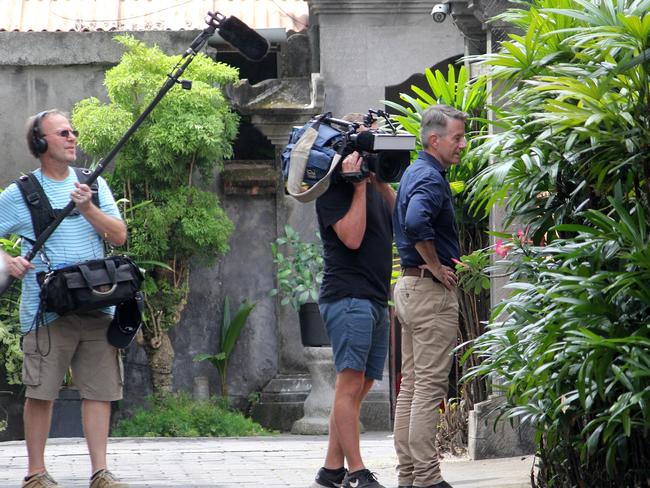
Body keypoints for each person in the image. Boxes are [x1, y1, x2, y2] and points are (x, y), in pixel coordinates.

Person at [0, 109, 128, 488]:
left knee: (99, 392)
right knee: (41, 392)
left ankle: (100, 473)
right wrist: (9, 261)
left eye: (72, 132)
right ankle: (35, 473)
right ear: (41, 143)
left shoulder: (93, 185)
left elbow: (119, 235)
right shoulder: (20, 192)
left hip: (96, 303)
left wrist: (88, 208)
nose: (72, 138)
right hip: (45, 310)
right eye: (62, 133)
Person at [311, 114, 396, 488]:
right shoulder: (332, 189)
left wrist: (376, 179)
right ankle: (357, 472)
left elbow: (398, 213)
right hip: (348, 297)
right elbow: (353, 238)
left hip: (375, 298)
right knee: (349, 387)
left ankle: (331, 471)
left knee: (359, 388)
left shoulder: (373, 185)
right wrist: (358, 187)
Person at [391, 105, 467, 488]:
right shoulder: (431, 179)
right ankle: (427, 478)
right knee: (428, 389)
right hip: (428, 291)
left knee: (413, 386)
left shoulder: (413, 172)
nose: (463, 145)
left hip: (408, 287)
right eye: (457, 138)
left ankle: (409, 475)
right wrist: (437, 267)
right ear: (434, 140)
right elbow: (416, 221)